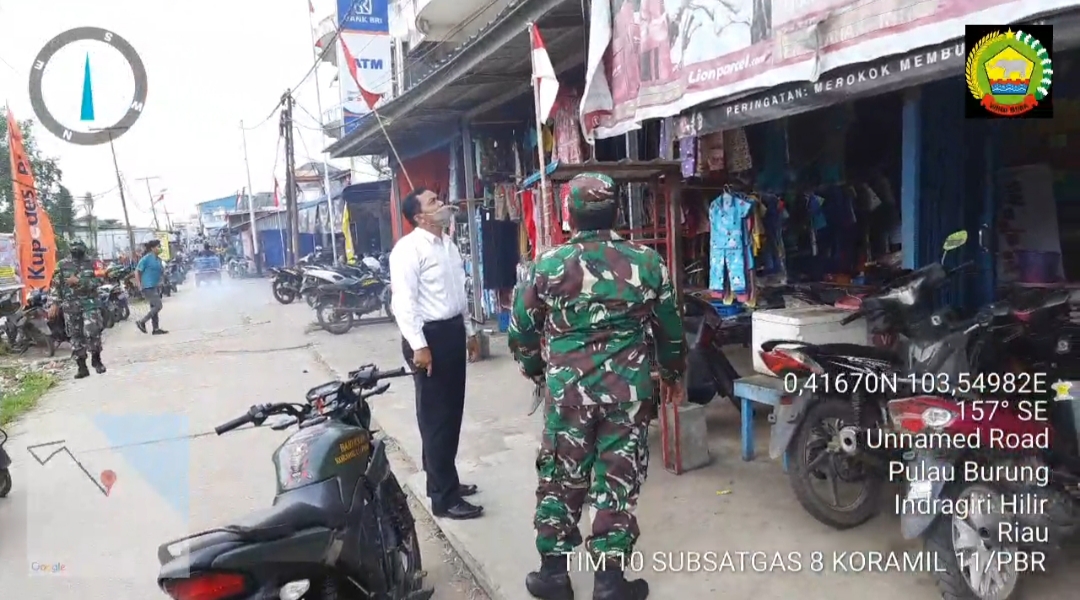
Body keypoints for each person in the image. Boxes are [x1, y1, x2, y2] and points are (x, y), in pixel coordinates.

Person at [508, 173, 686, 600]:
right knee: (617, 480)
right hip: (627, 393)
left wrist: (536, 368)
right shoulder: (646, 262)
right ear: (616, 211)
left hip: (568, 393)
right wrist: (673, 375)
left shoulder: (547, 264)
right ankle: (609, 583)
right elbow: (671, 330)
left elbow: (520, 332)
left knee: (561, 477)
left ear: (569, 214)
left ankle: (553, 575)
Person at [389, 187, 483, 520]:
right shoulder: (408, 250)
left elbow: (460, 293)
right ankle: (445, 499)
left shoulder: (448, 245)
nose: (442, 205)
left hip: (452, 331)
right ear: (419, 217)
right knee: (436, 417)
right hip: (428, 337)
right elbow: (404, 303)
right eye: (434, 203)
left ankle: (444, 481)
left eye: (439, 200)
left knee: (451, 412)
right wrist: (419, 346)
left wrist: (469, 331)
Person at [50, 240, 107, 379]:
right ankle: (82, 367)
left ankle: (96, 360)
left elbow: (101, 280)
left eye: (78, 247)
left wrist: (80, 282)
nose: (76, 249)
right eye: (73, 247)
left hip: (90, 303)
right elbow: (55, 286)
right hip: (70, 306)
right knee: (75, 336)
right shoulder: (62, 265)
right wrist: (54, 303)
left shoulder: (94, 263)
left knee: (92, 331)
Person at [134, 239, 168, 335]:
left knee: (154, 307)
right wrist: (139, 285)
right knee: (158, 305)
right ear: (152, 248)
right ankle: (142, 322)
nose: (160, 248)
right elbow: (137, 271)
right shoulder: (146, 258)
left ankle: (156, 329)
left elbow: (160, 271)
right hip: (147, 286)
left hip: (154, 285)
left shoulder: (158, 259)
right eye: (158, 246)